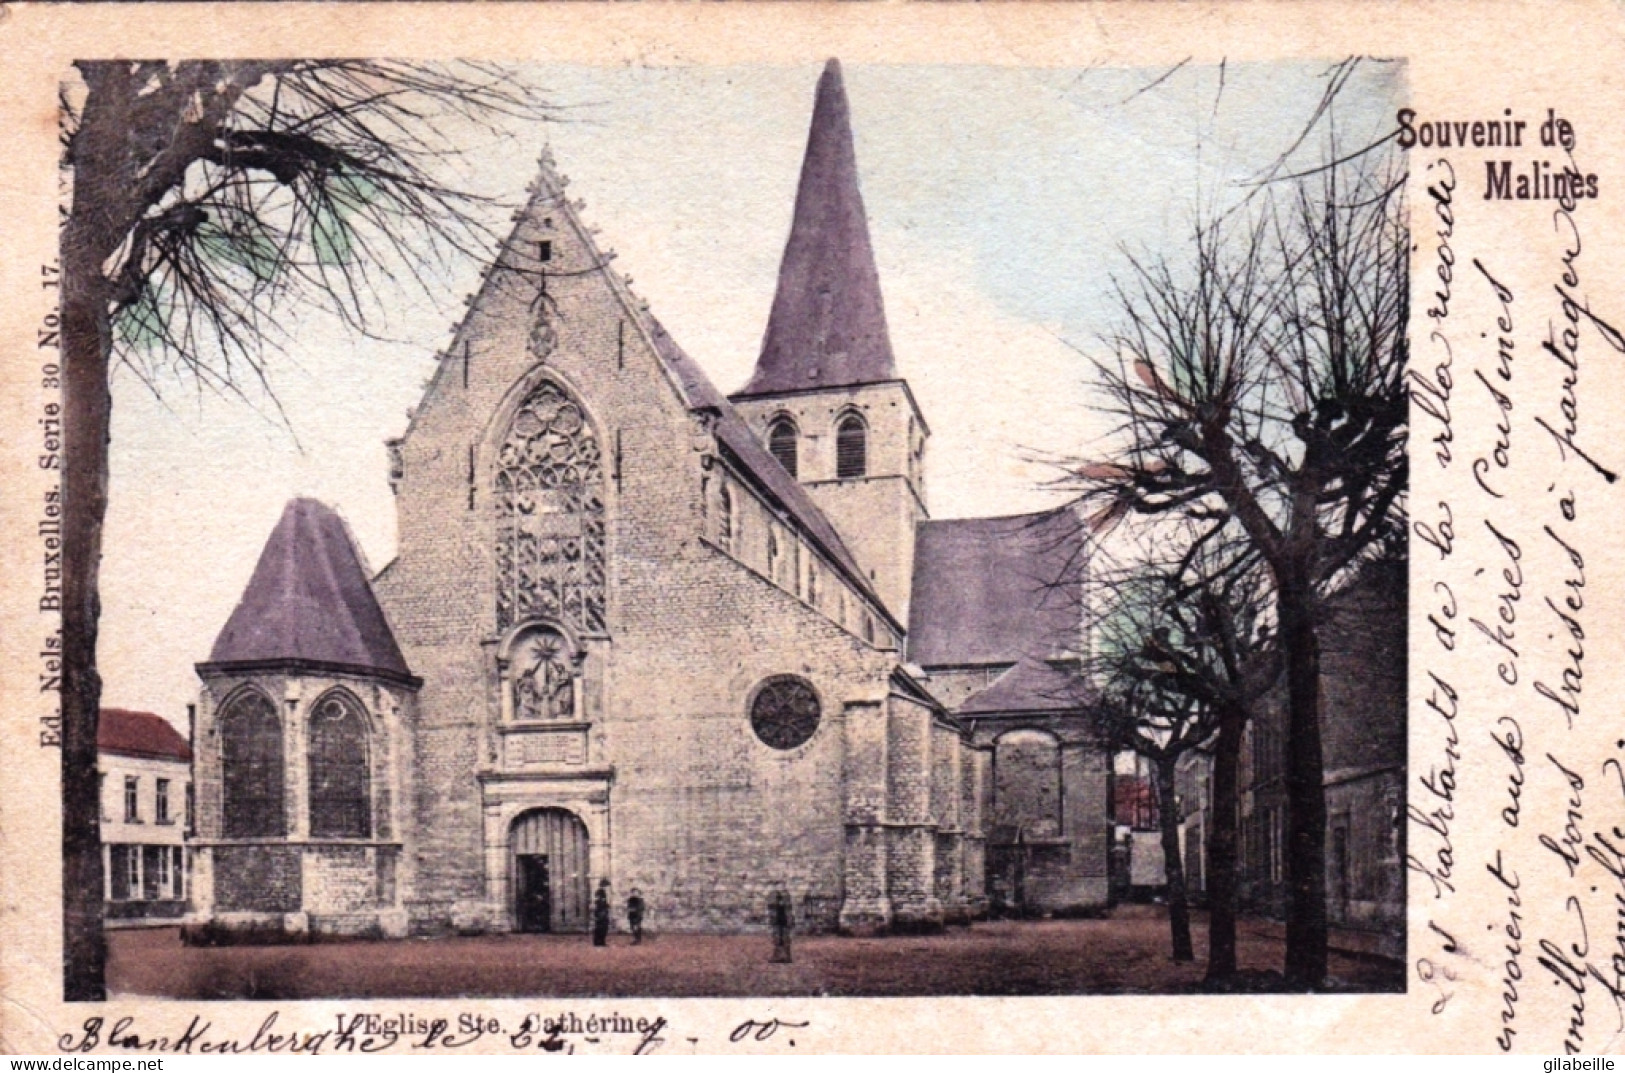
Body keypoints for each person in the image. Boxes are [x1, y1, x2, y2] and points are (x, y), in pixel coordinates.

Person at [768, 887, 793, 963]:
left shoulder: (786, 906)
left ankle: (787, 957)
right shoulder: (776, 906)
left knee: (785, 940)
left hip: (784, 923)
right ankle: (777, 956)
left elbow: (789, 913)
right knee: (777, 940)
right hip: (778, 923)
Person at [591, 879, 611, 947]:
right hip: (601, 912)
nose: (608, 888)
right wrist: (605, 907)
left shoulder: (601, 892)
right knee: (601, 927)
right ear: (604, 886)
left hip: (602, 911)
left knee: (602, 927)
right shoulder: (600, 892)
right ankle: (599, 942)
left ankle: (600, 941)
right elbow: (599, 902)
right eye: (607, 886)